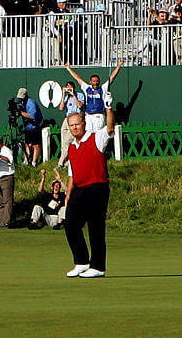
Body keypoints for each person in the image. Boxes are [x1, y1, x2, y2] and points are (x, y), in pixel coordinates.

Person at [64, 106, 116, 278]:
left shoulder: (96, 138)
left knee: (95, 227)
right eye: (71, 126)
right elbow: (72, 173)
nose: (74, 128)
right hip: (79, 189)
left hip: (97, 187)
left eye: (76, 125)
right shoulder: (71, 147)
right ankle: (81, 262)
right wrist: (68, 194)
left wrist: (109, 109)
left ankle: (98, 266)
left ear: (83, 124)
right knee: (70, 223)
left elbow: (110, 128)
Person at [65, 59, 123, 132]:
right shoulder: (87, 88)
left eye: (97, 81)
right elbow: (78, 79)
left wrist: (119, 65)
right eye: (93, 81)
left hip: (98, 115)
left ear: (99, 81)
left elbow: (112, 77)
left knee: (98, 135)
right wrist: (69, 69)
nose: (95, 83)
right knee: (88, 135)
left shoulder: (103, 88)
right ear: (90, 81)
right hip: (88, 116)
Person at [56, 82, 85, 168]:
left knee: (68, 141)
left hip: (75, 118)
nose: (69, 90)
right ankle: (67, 162)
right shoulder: (66, 97)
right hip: (66, 119)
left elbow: (80, 105)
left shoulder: (80, 95)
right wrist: (63, 95)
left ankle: (60, 163)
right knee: (64, 143)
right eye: (67, 88)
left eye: (70, 88)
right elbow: (61, 108)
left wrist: (73, 95)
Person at [16, 87, 44, 165]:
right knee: (27, 143)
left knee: (36, 144)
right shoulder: (21, 103)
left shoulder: (31, 103)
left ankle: (34, 162)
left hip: (35, 126)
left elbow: (32, 116)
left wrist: (21, 113)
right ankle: (26, 160)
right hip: (27, 127)